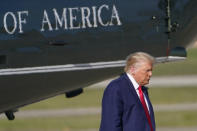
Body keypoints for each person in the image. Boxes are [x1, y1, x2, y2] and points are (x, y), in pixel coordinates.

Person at [100, 52, 156, 131]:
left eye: (151, 70)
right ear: (133, 69)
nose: (150, 74)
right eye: (147, 70)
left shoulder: (142, 89)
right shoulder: (116, 89)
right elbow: (110, 126)